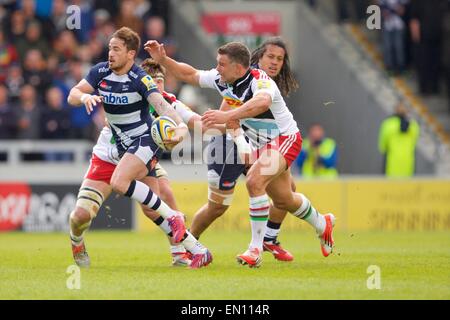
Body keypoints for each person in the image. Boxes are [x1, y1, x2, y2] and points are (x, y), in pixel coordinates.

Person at [145, 39, 335, 268]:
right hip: (255, 144)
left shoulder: (261, 82)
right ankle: (322, 223)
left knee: (255, 181)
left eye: (221, 64)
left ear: (237, 68)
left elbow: (260, 103)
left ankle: (256, 249)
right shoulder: (223, 78)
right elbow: (191, 74)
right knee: (285, 198)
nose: (217, 69)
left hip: (284, 139)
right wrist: (163, 59)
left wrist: (226, 117)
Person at [67, 27, 212, 268]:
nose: (110, 53)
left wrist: (181, 127)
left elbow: (163, 106)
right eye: (109, 48)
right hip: (108, 151)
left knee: (143, 195)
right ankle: (77, 241)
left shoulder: (140, 79)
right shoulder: (100, 71)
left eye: (116, 49)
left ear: (130, 54)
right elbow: (73, 93)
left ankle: (180, 250)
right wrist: (84, 98)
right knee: (80, 217)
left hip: (142, 142)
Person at [189, 37, 302, 262]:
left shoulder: (270, 87)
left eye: (280, 59)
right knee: (217, 207)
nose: (275, 62)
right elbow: (228, 121)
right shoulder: (241, 80)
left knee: (287, 191)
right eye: (270, 57)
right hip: (230, 144)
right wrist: (242, 145)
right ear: (257, 58)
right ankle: (188, 242)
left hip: (261, 145)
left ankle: (269, 239)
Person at [378, 102, 420, 177]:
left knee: (391, 187)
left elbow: (382, 146)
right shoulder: (413, 126)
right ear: (407, 111)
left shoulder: (388, 124)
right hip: (408, 162)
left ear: (395, 110)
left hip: (392, 163)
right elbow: (415, 142)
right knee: (407, 187)